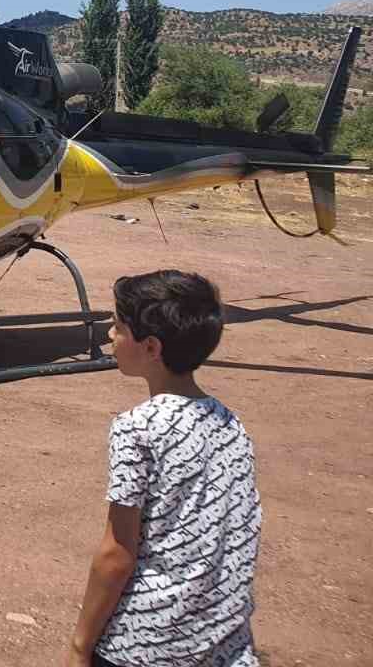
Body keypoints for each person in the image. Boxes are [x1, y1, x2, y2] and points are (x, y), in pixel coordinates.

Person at [66, 270, 261, 667]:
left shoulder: (137, 429)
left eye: (118, 327)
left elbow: (117, 552)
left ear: (151, 347)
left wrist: (80, 646)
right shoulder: (230, 423)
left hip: (147, 645)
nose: (110, 336)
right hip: (225, 642)